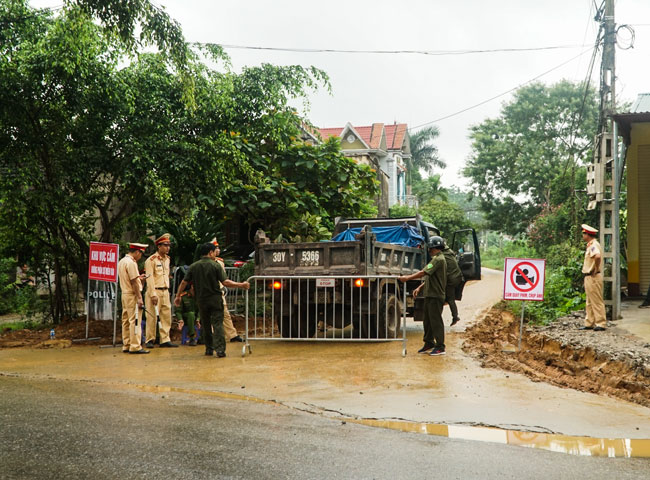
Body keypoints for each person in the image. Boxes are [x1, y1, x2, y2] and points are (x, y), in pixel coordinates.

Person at [174, 242, 249, 358]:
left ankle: (209, 349)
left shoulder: (194, 266)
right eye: (214, 251)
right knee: (218, 324)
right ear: (210, 252)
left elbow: (184, 282)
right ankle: (220, 350)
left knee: (206, 325)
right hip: (215, 299)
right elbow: (225, 282)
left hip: (201, 300)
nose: (215, 254)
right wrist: (241, 285)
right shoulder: (216, 265)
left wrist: (178, 295)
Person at [399, 236, 447, 356]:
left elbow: (424, 272)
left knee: (435, 321)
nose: (429, 250)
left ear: (434, 248)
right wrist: (420, 287)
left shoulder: (438, 259)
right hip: (430, 294)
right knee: (427, 321)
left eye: (430, 248)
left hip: (436, 295)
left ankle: (440, 346)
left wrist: (407, 278)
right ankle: (429, 343)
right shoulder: (436, 259)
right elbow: (430, 277)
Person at [145, 233, 177, 348]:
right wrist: (153, 294)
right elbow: (149, 278)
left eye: (169, 245)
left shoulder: (167, 259)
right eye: (165, 245)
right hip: (155, 291)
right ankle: (150, 339)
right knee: (152, 316)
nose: (168, 247)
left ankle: (165, 339)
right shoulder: (151, 260)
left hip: (165, 290)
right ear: (159, 246)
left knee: (166, 315)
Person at [117, 243, 149, 354]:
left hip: (125, 293)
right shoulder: (131, 263)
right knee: (135, 320)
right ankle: (135, 345)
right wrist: (139, 298)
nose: (140, 257)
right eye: (141, 254)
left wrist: (141, 280)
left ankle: (127, 344)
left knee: (125, 319)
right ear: (137, 252)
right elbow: (134, 282)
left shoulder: (122, 261)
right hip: (132, 294)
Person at [213, 240, 244, 343]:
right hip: (210, 292)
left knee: (225, 314)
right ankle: (211, 336)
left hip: (220, 291)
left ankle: (232, 335)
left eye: (218, 248)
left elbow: (224, 279)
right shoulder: (207, 263)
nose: (218, 250)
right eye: (215, 248)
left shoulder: (220, 262)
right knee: (211, 315)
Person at [580, 224, 606, 331]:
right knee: (589, 300)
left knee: (596, 300)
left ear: (587, 234)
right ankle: (589, 322)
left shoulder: (593, 245)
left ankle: (600, 323)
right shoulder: (591, 244)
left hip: (593, 276)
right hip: (589, 277)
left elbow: (597, 256)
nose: (582, 236)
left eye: (583, 233)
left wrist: (595, 268)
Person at [441, 242, 464, 326]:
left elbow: (430, 266)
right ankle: (455, 316)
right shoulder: (450, 252)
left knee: (448, 299)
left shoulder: (441, 257)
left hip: (451, 280)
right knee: (450, 299)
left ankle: (455, 316)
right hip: (458, 277)